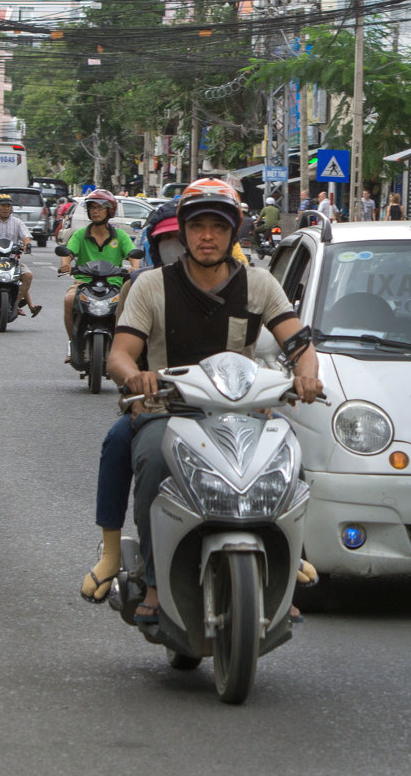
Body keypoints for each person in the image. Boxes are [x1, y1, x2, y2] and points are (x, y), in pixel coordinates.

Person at [91, 178, 322, 623]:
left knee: (290, 452)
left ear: (234, 232)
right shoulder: (150, 286)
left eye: (218, 226)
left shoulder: (260, 284)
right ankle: (153, 580)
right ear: (183, 232)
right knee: (147, 459)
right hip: (167, 412)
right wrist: (134, 376)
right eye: (198, 227)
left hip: (241, 413)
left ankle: (287, 563)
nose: (208, 237)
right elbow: (119, 353)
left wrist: (306, 373)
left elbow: (299, 342)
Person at [58, 189, 137, 360]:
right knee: (69, 300)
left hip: (114, 285)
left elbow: (133, 255)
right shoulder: (80, 234)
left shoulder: (121, 236)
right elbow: (68, 252)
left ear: (110, 210)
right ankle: (72, 344)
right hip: (84, 283)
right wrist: (65, 264)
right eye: (92, 207)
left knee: (130, 305)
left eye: (100, 207)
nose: (95, 211)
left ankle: (123, 348)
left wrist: (134, 268)